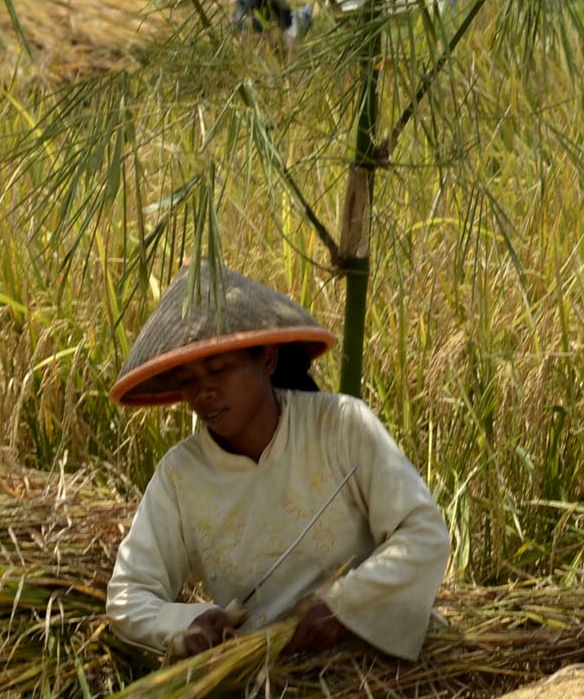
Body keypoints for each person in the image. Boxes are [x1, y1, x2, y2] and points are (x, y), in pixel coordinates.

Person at [106, 265, 450, 661]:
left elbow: (423, 534)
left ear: (267, 360)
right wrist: (189, 625)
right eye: (188, 379)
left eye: (218, 369)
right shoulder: (179, 477)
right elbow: (128, 597)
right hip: (268, 678)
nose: (204, 393)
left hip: (374, 663)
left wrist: (342, 605)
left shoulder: (341, 426)